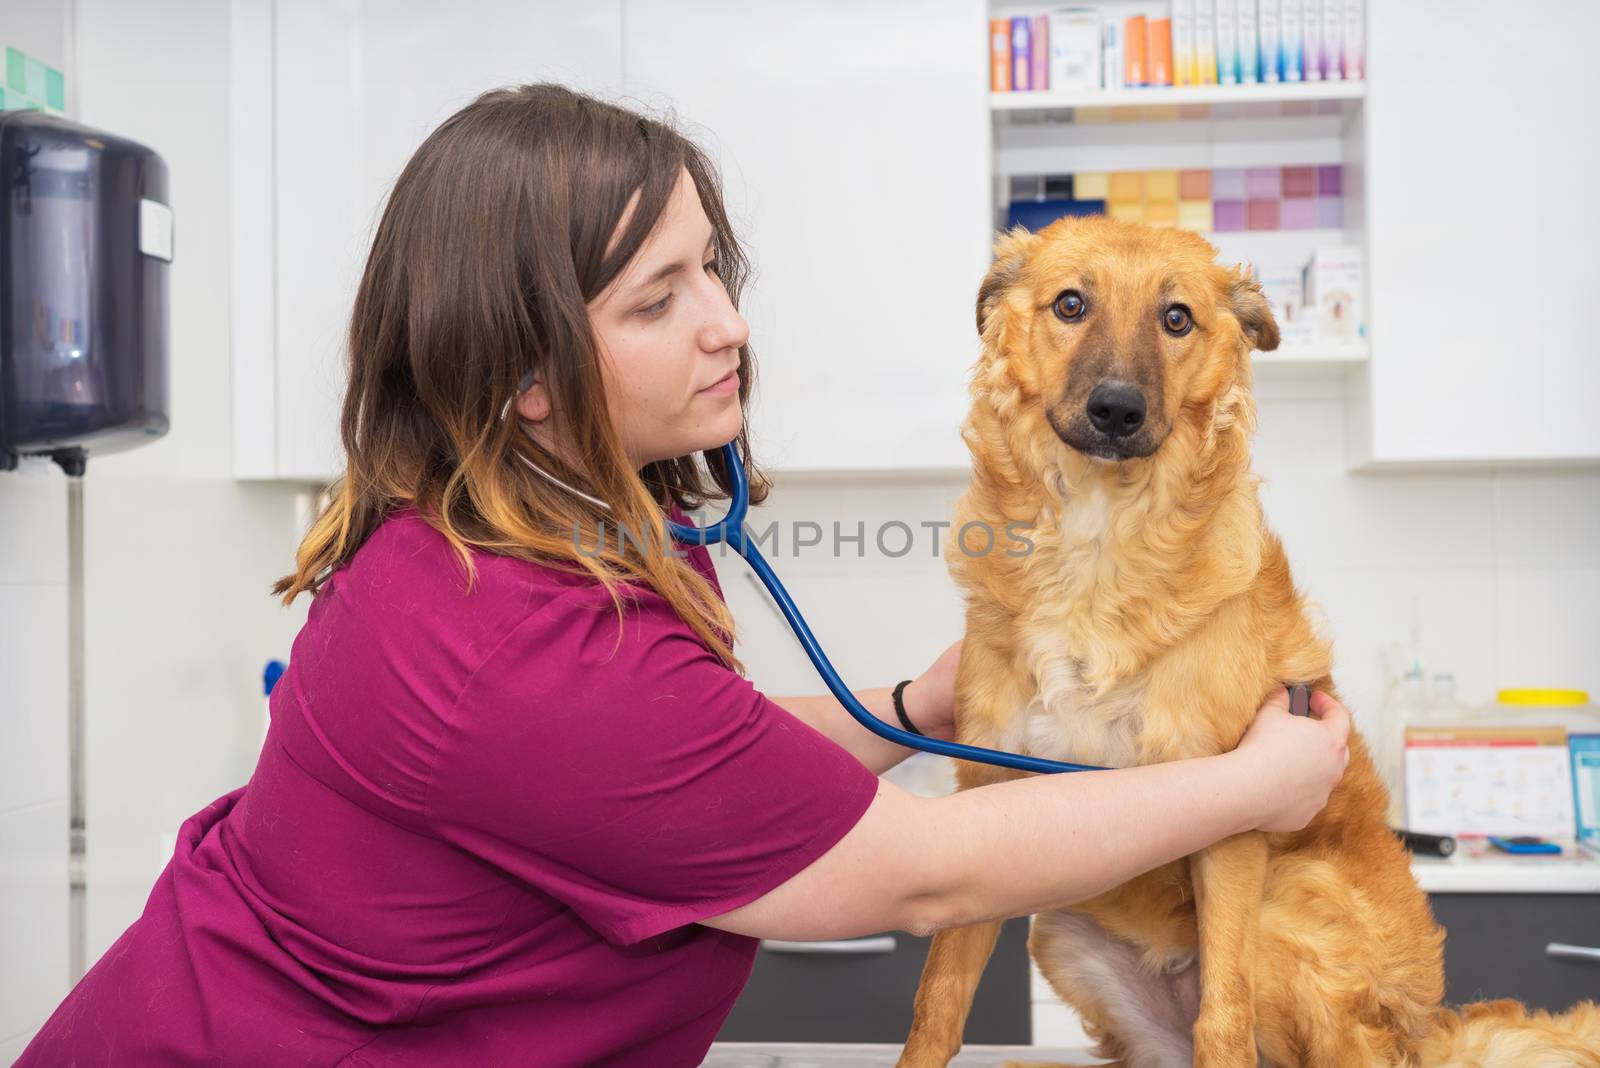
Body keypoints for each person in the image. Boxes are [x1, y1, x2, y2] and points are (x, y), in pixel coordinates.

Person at [17, 83, 1350, 1067]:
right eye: (658, 300)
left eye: (711, 266)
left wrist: (918, 703)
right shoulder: (513, 643)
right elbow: (918, 875)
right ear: (527, 374)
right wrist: (1251, 785)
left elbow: (695, 772)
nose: (728, 322)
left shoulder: (537, 534)